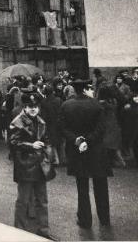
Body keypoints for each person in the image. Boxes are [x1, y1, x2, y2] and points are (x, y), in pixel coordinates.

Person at [60, 80, 112, 229]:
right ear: (85, 89)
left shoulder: (66, 105)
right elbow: (101, 128)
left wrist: (78, 140)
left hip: (77, 151)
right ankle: (104, 218)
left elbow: (63, 128)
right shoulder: (97, 105)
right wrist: (88, 140)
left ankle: (85, 220)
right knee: (101, 185)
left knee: (82, 187)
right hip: (96, 150)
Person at [9, 93, 55, 239]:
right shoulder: (17, 121)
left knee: (42, 201)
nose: (33, 109)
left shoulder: (41, 121)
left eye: (35, 106)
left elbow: (47, 140)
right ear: (25, 107)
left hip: (40, 165)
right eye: (30, 106)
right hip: (26, 166)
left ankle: (44, 230)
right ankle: (19, 230)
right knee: (23, 200)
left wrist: (48, 153)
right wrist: (31, 145)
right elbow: (13, 143)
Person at [98, 84, 125, 167]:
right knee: (113, 146)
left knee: (107, 145)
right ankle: (118, 161)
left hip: (107, 125)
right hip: (112, 125)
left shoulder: (101, 103)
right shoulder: (111, 102)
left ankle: (116, 162)